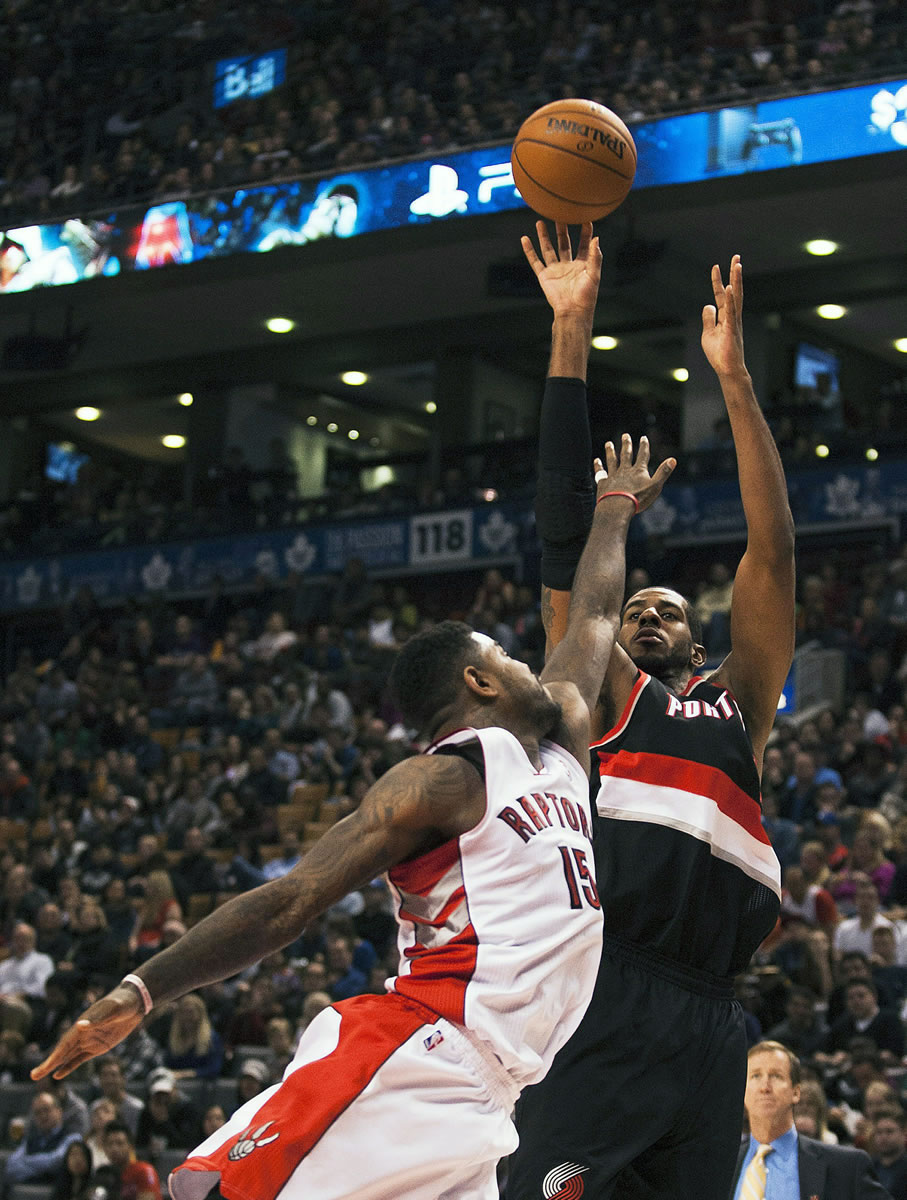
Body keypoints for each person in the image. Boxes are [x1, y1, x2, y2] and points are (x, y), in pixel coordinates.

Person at [32, 430, 674, 1199]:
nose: (529, 660)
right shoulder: (443, 779)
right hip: (412, 1057)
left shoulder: (562, 746)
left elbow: (595, 618)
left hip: (492, 1098)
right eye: (508, 655)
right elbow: (291, 899)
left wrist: (613, 509)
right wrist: (140, 991)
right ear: (478, 680)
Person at [509, 225, 794, 1200]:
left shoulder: (733, 708)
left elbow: (773, 557)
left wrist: (735, 381)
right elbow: (565, 562)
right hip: (606, 985)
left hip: (714, 1015)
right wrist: (569, 332)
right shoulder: (601, 696)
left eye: (667, 610)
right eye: (634, 609)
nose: (646, 615)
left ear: (698, 646)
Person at [730, 1040, 890, 1198]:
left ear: (796, 1092)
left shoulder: (847, 1167)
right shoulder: (718, 1168)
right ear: (743, 1092)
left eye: (776, 1076)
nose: (765, 1087)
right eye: (755, 1076)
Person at [5, 1090, 82, 1184]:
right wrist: (42, 1170)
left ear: (59, 1111)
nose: (43, 1116)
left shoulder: (72, 1137)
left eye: (47, 1110)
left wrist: (25, 1161)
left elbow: (56, 1161)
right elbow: (11, 1165)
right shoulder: (30, 1138)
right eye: (37, 1113)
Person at [92, 1122, 162, 1200]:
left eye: (120, 1143)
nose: (114, 1149)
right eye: (110, 1144)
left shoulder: (144, 1170)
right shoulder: (103, 1175)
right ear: (104, 1149)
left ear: (131, 1146)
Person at [872, 1109, 907, 1200]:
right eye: (879, 1132)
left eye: (889, 1131)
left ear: (904, 1134)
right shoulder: (868, 1166)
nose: (883, 1137)